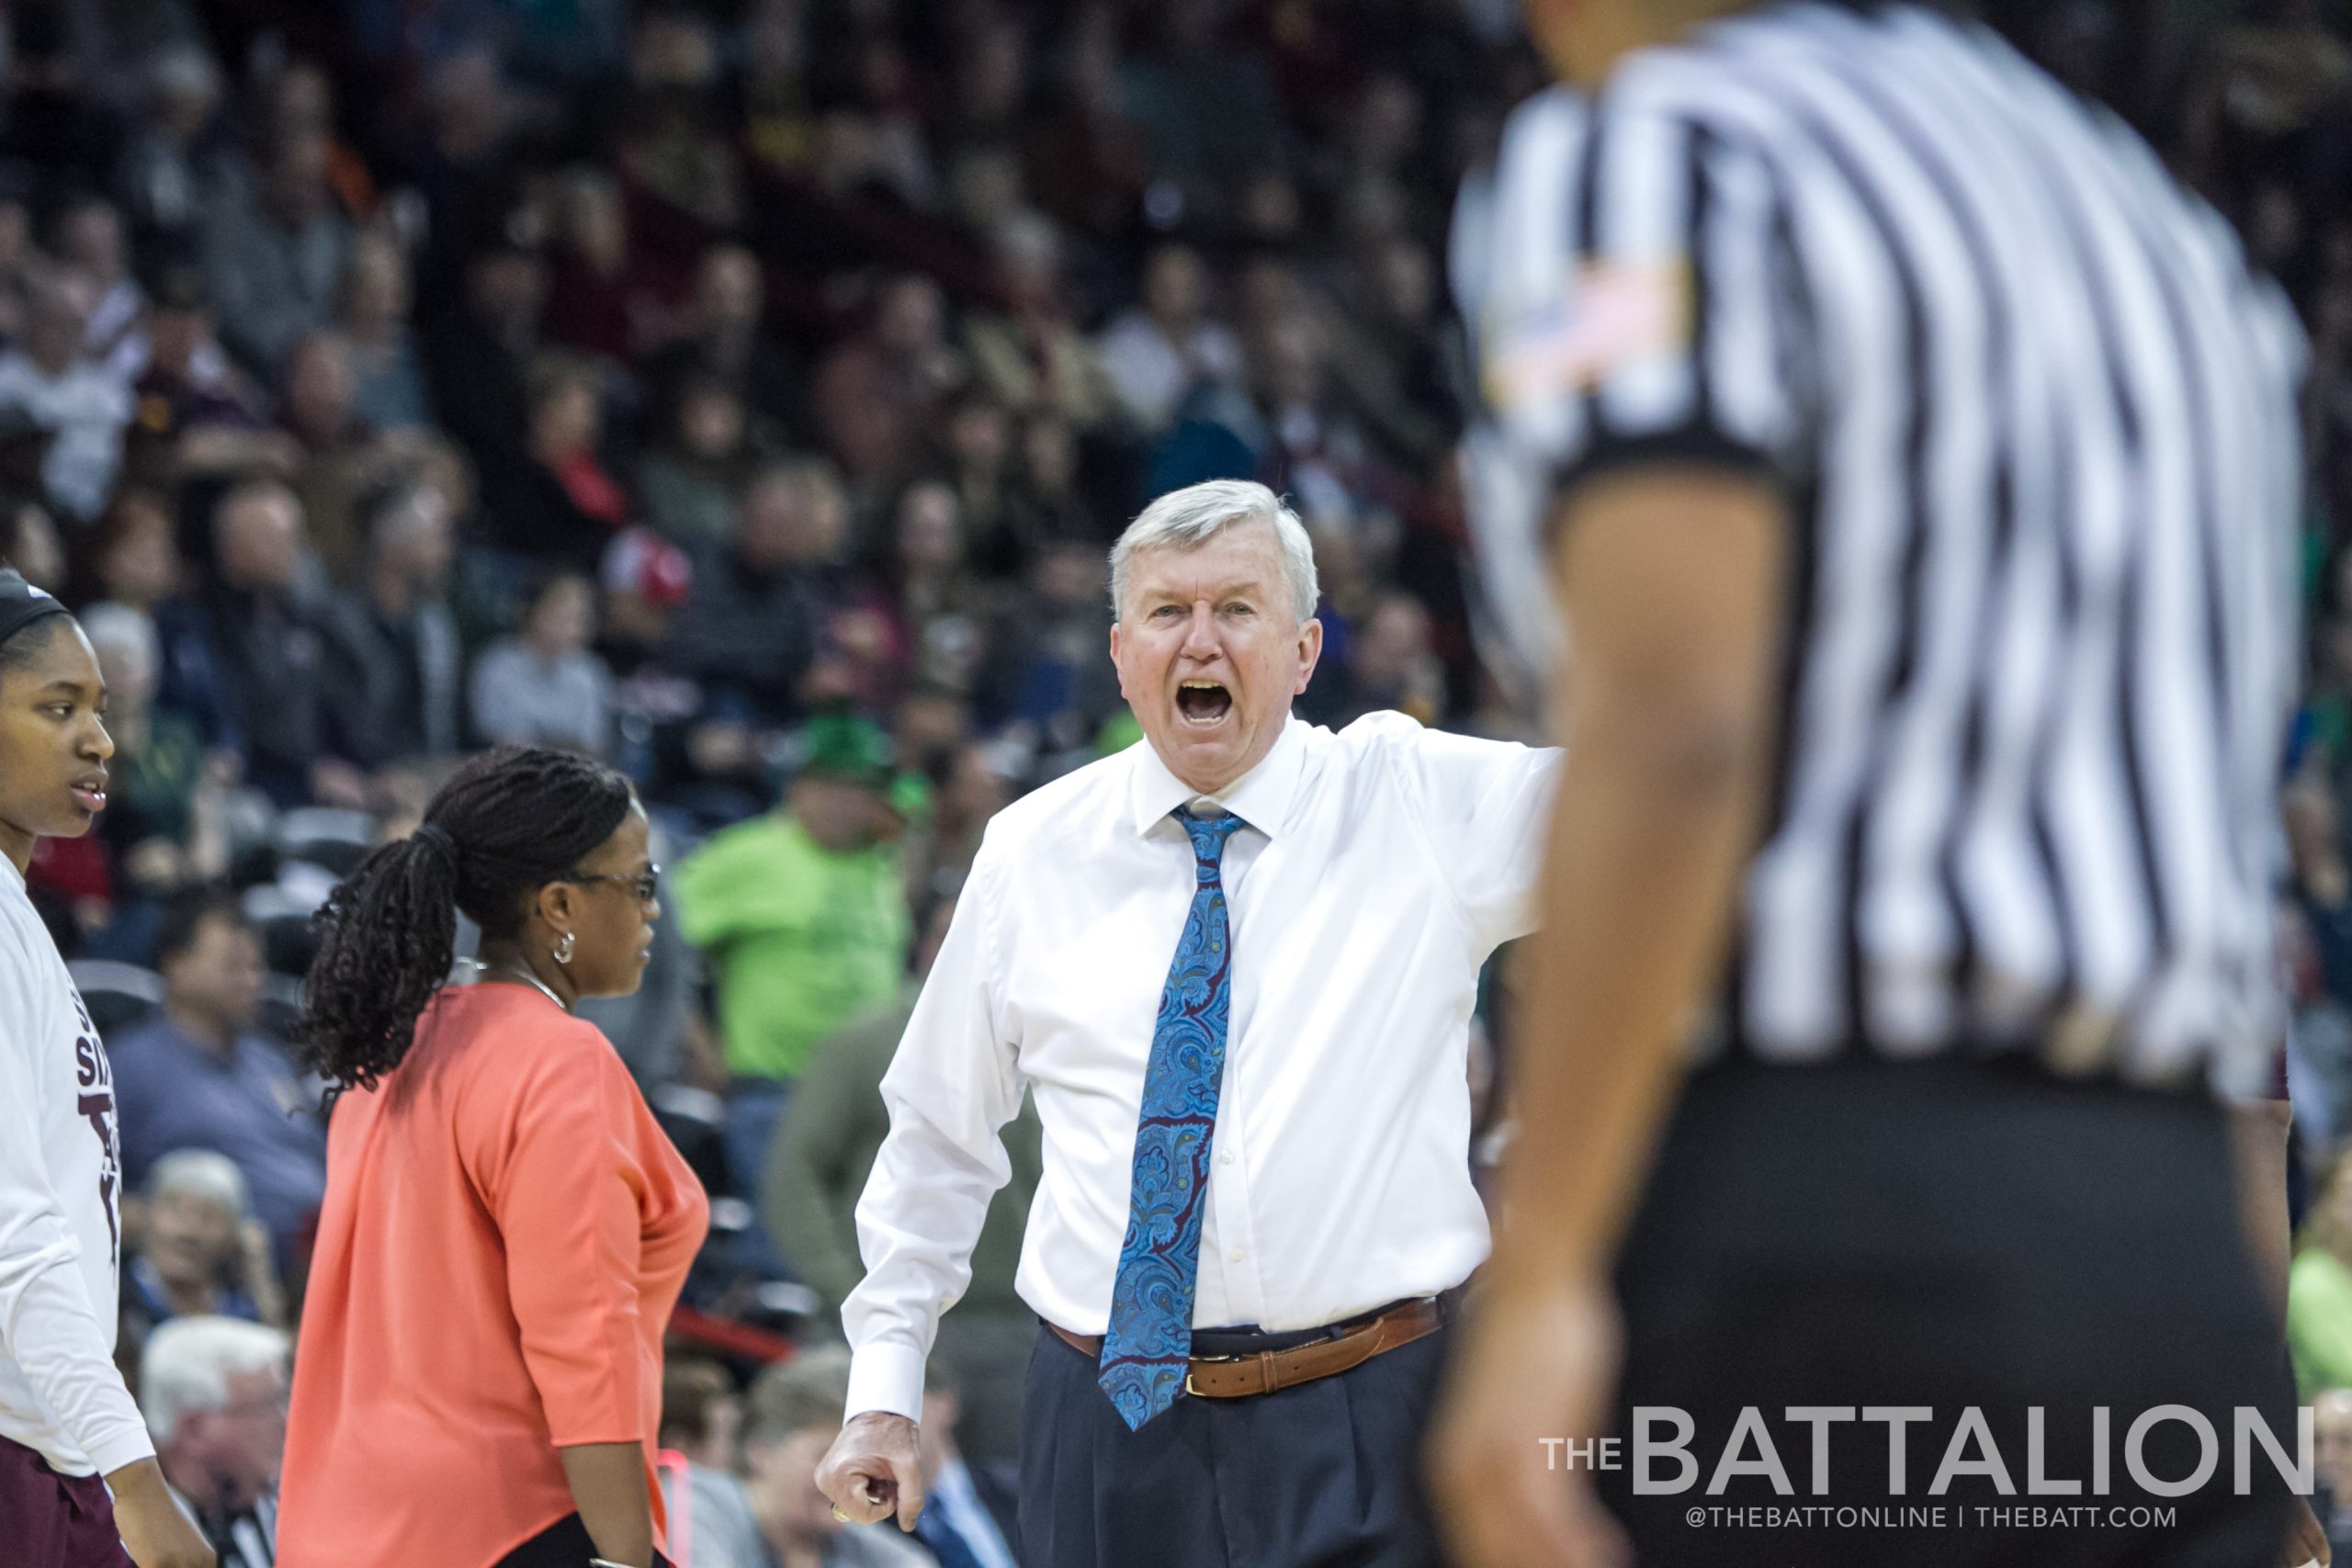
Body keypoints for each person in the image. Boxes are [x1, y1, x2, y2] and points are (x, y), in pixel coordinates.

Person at [1431, 3, 2310, 1567]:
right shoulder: (2170, 246)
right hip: (2167, 1263)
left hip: (1814, 1230)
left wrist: (1547, 1261)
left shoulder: (1655, 157)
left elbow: (1676, 714)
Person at [816, 480, 1558, 1566]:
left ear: (1304, 651)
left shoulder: (1415, 799)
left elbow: (1658, 814)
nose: (1199, 641)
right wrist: (882, 1387)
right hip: (1105, 1421)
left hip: (1370, 1404)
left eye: (1237, 609)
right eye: (1167, 612)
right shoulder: (1031, 851)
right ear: (1120, 653)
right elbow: (936, 1134)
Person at [277, 747, 709, 1568]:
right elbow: (585, 1339)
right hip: (505, 1523)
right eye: (641, 884)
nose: (655, 911)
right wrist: (624, 1556)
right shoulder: (560, 1060)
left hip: (340, 1524)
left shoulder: (394, 1045)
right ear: (558, 905)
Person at [0, 568, 213, 1568]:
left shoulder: (19, 917)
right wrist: (137, 1476)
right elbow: (12, 1233)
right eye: (58, 707)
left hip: (49, 1449)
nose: (101, 741)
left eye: (100, 709)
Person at [763, 897, 1040, 1469]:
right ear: (925, 947)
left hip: (1019, 1327)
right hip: (897, 1314)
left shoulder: (1055, 1045)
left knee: (1017, 1514)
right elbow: (796, 1176)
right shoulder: (863, 1043)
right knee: (877, 1503)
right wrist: (855, 1294)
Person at [676, 713, 911, 1208]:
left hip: (869, 1106)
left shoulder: (880, 868)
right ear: (799, 787)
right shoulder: (749, 854)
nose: (850, 803)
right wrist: (696, 1040)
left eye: (863, 790)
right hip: (774, 1094)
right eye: (834, 787)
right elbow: (663, 945)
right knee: (784, 1259)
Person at [107, 894, 327, 1269]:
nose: (251, 981)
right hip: (220, 1278)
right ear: (177, 967)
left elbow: (318, 1162)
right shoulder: (130, 1066)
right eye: (232, 967)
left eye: (255, 968)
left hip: (321, 1257)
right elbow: (92, 1198)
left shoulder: (270, 1060)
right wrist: (183, 1227)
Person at [745, 1348, 934, 1568]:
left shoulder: (876, 1553)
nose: (857, 1482)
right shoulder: (705, 1513)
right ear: (762, 1450)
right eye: (825, 1456)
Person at [140, 1315, 288, 1568]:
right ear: (195, 1429)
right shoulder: (127, 1541)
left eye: (283, 1399)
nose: (284, 1420)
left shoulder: (280, 1504)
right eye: (266, 1406)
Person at [119, 1151, 280, 1358]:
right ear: (148, 1216)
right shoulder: (118, 1297)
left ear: (233, 1237)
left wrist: (260, 1282)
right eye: (175, 1211)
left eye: (208, 1217)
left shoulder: (240, 1315)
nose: (189, 1232)